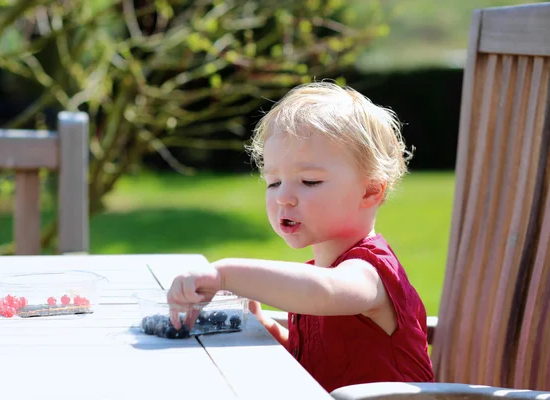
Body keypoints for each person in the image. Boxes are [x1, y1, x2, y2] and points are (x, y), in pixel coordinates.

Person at [166, 81, 435, 393]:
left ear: (371, 190)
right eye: (274, 182)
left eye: (309, 181)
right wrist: (269, 330)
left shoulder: (369, 273)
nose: (284, 197)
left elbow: (325, 292)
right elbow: (317, 364)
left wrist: (223, 274)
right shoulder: (317, 277)